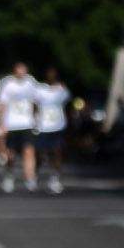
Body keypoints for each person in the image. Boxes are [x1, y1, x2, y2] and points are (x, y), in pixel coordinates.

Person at [0, 59, 39, 193]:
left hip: (27, 123)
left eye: (23, 69)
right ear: (14, 70)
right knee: (10, 155)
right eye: (19, 69)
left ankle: (30, 178)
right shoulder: (7, 83)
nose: (21, 72)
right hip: (12, 124)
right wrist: (2, 125)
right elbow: (1, 104)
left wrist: (37, 120)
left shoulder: (31, 82)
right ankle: (9, 176)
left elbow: (37, 101)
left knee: (29, 152)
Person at [33, 66, 71, 194]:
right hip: (43, 126)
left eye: (53, 74)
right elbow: (35, 106)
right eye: (49, 73)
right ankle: (35, 175)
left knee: (57, 152)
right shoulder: (40, 89)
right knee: (39, 153)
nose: (51, 76)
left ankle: (55, 178)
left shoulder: (62, 90)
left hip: (58, 125)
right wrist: (34, 121)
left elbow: (67, 105)